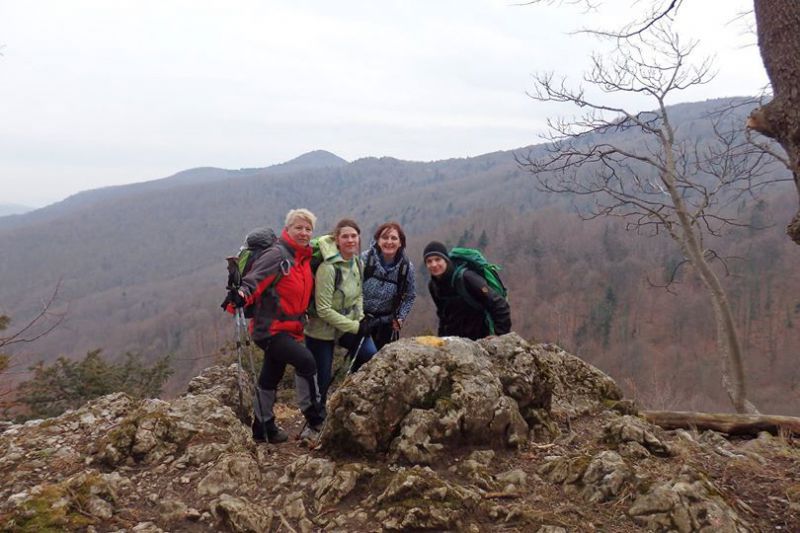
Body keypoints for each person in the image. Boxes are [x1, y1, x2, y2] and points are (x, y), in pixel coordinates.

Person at [236, 208, 325, 443]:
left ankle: (262, 426)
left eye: (308, 229)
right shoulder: (277, 255)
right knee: (306, 361)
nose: (303, 233)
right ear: (287, 229)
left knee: (271, 373)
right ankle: (316, 421)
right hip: (269, 329)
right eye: (298, 227)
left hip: (288, 329)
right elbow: (255, 279)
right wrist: (243, 293)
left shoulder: (303, 257)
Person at [305, 218, 377, 409]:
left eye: (354, 236)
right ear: (337, 239)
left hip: (347, 323)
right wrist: (355, 327)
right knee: (322, 379)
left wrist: (361, 318)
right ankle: (316, 417)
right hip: (321, 330)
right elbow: (323, 309)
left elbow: (358, 294)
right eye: (345, 236)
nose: (350, 240)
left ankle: (352, 401)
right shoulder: (328, 268)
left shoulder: (357, 262)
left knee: (370, 355)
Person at [424, 241, 511, 340]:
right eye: (429, 261)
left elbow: (499, 304)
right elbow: (443, 316)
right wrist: (441, 340)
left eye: (438, 259)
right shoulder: (433, 286)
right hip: (455, 341)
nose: (434, 264)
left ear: (446, 260)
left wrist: (499, 335)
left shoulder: (466, 278)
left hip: (480, 339)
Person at [361, 221, 416, 350]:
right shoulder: (365, 259)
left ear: (400, 242)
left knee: (380, 357)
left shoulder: (406, 268)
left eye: (394, 238)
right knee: (363, 356)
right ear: (378, 240)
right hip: (361, 320)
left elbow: (410, 296)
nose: (389, 242)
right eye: (385, 237)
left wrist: (400, 317)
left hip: (386, 324)